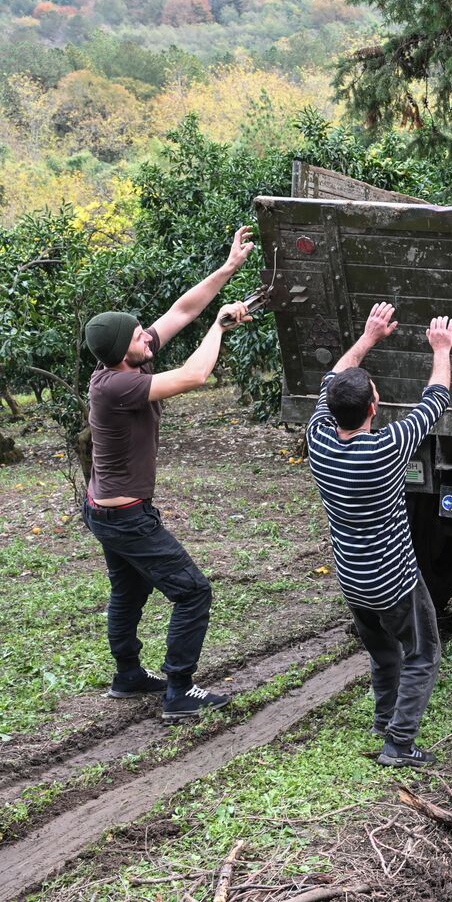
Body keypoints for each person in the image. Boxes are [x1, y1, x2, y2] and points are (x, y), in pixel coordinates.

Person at [81, 226, 256, 723]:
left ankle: (128, 677)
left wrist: (228, 269)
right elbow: (194, 376)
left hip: (107, 510)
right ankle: (180, 690)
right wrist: (220, 328)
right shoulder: (117, 385)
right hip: (126, 517)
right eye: (138, 335)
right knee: (193, 591)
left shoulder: (124, 359)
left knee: (128, 590)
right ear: (121, 349)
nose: (147, 335)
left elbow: (182, 311)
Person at [306, 302, 452, 768]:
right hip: (393, 582)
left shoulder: (318, 437)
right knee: (422, 654)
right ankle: (399, 743)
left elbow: (335, 374)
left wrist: (368, 337)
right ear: (375, 406)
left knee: (383, 653)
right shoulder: (386, 448)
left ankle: (383, 719)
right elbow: (437, 398)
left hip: (352, 580)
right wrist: (441, 348)